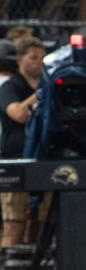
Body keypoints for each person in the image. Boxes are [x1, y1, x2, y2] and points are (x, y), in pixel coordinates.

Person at [0, 37, 45, 247]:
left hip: (43, 161)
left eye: (42, 57)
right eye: (34, 57)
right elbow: (17, 113)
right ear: (19, 59)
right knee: (13, 226)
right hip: (15, 164)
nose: (39, 62)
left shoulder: (50, 85)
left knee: (39, 225)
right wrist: (39, 95)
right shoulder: (10, 86)